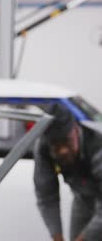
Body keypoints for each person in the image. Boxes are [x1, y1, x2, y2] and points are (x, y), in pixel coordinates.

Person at [33, 103, 102, 241]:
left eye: (67, 141)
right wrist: (57, 237)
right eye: (56, 146)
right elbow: (47, 197)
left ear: (76, 129)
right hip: (83, 199)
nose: (63, 150)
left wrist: (83, 239)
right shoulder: (43, 148)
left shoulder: (97, 143)